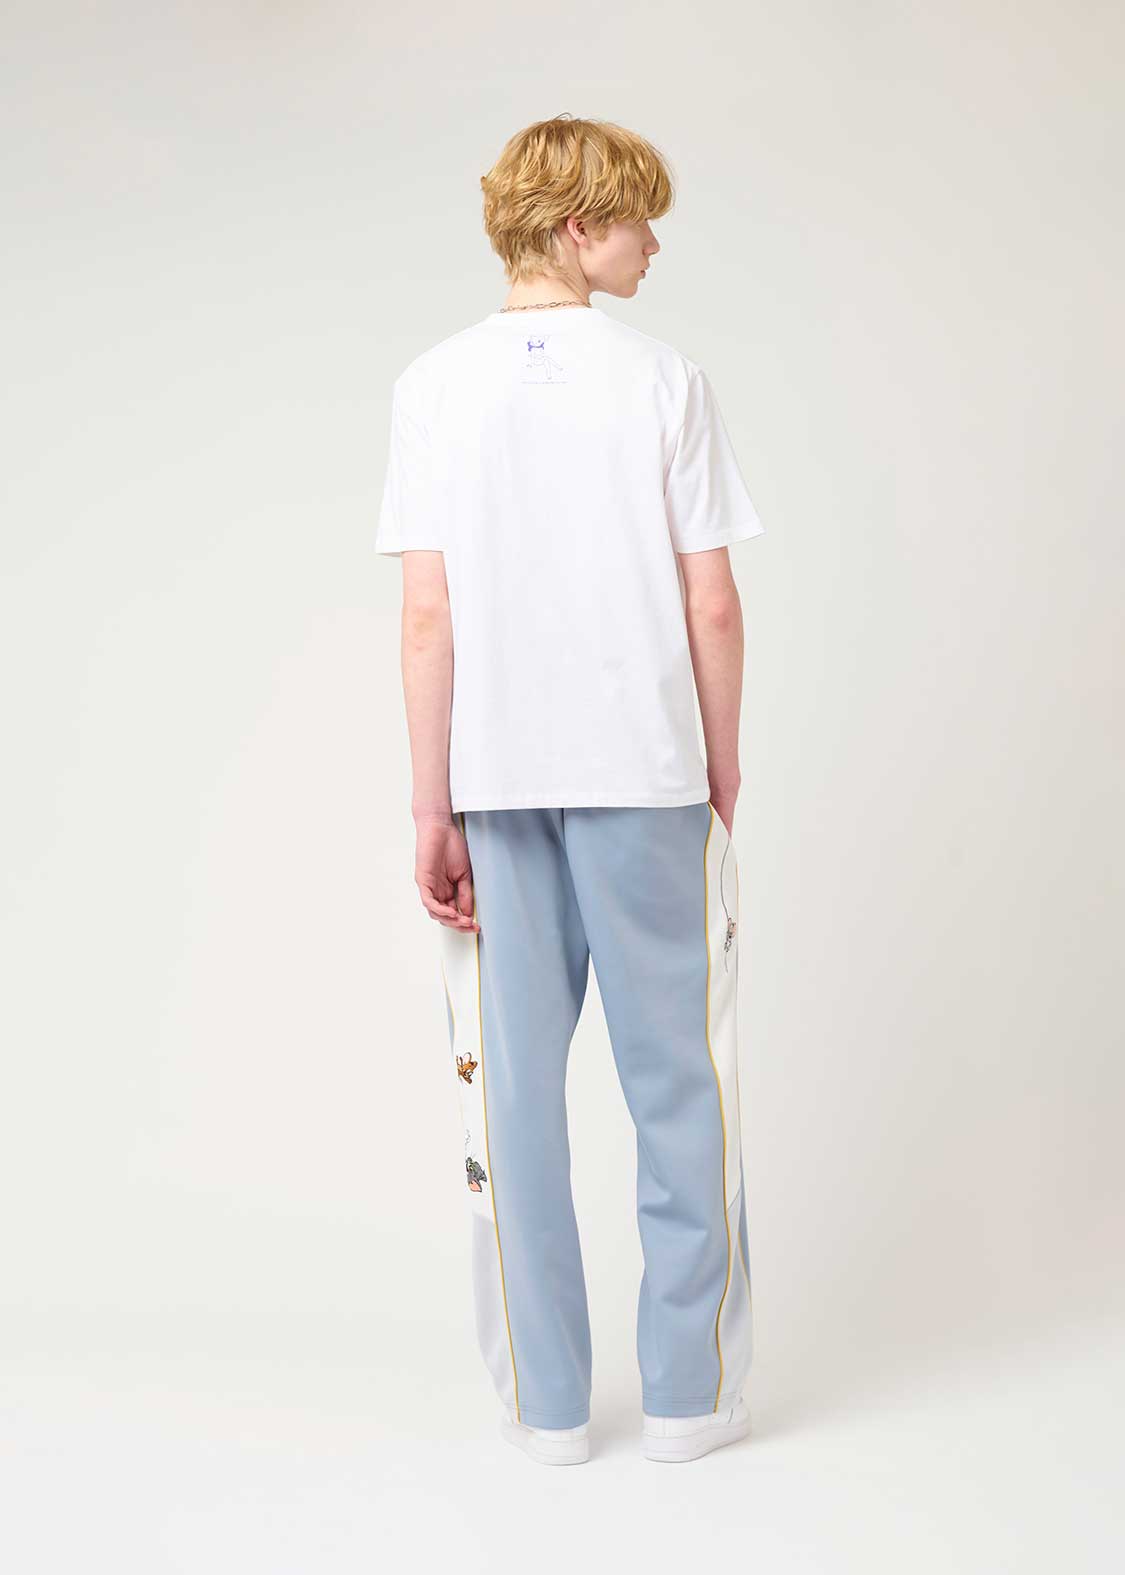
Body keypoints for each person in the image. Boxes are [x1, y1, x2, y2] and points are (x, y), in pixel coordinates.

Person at [375, 115, 765, 1465]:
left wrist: (432, 805)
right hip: (645, 775)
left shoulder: (431, 386)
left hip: (495, 783)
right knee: (681, 1086)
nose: (655, 244)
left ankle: (546, 1411)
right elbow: (711, 603)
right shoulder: (665, 380)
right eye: (639, 220)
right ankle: (688, 1401)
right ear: (576, 227)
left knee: (512, 1102)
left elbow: (427, 617)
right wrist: (721, 760)